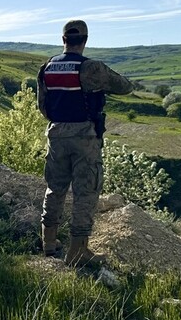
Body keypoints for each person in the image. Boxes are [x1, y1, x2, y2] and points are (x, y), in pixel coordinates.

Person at [36, 19, 133, 267]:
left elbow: (43, 107)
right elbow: (124, 87)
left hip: (56, 133)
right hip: (84, 136)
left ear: (63, 40)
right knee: (86, 191)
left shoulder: (47, 66)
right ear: (85, 40)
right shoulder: (90, 68)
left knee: (54, 187)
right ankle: (78, 251)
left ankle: (48, 242)